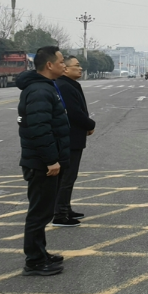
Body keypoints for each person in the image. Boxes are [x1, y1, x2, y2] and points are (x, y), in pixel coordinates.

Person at [16, 46, 70, 276]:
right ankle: (35, 261)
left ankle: (41, 253)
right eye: (61, 61)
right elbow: (40, 129)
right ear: (49, 65)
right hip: (41, 164)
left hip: (43, 161)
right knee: (38, 213)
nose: (64, 65)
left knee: (43, 212)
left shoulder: (46, 86)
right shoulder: (39, 90)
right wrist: (51, 161)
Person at [53, 56, 96, 227]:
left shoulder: (70, 84)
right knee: (66, 177)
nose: (80, 69)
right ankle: (60, 214)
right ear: (65, 69)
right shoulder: (64, 86)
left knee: (69, 176)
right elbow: (74, 112)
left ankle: (66, 208)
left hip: (74, 137)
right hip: (69, 138)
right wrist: (90, 124)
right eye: (77, 66)